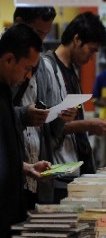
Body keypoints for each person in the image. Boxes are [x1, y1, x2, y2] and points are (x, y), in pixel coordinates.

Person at [43, 11, 106, 203]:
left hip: (78, 169)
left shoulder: (72, 71)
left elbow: (73, 123)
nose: (92, 57)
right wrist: (89, 125)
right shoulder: (47, 68)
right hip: (59, 173)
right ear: (77, 39)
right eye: (91, 50)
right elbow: (46, 126)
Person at [12, 6, 77, 209]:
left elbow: (50, 133)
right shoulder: (6, 61)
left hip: (37, 178)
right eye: (37, 32)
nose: (40, 40)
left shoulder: (42, 66)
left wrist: (61, 117)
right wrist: (24, 115)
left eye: (45, 34)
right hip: (11, 181)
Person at [0, 24, 52, 237]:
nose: (29, 77)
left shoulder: (5, 91)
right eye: (27, 68)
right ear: (9, 59)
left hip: (12, 211)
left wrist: (23, 166)